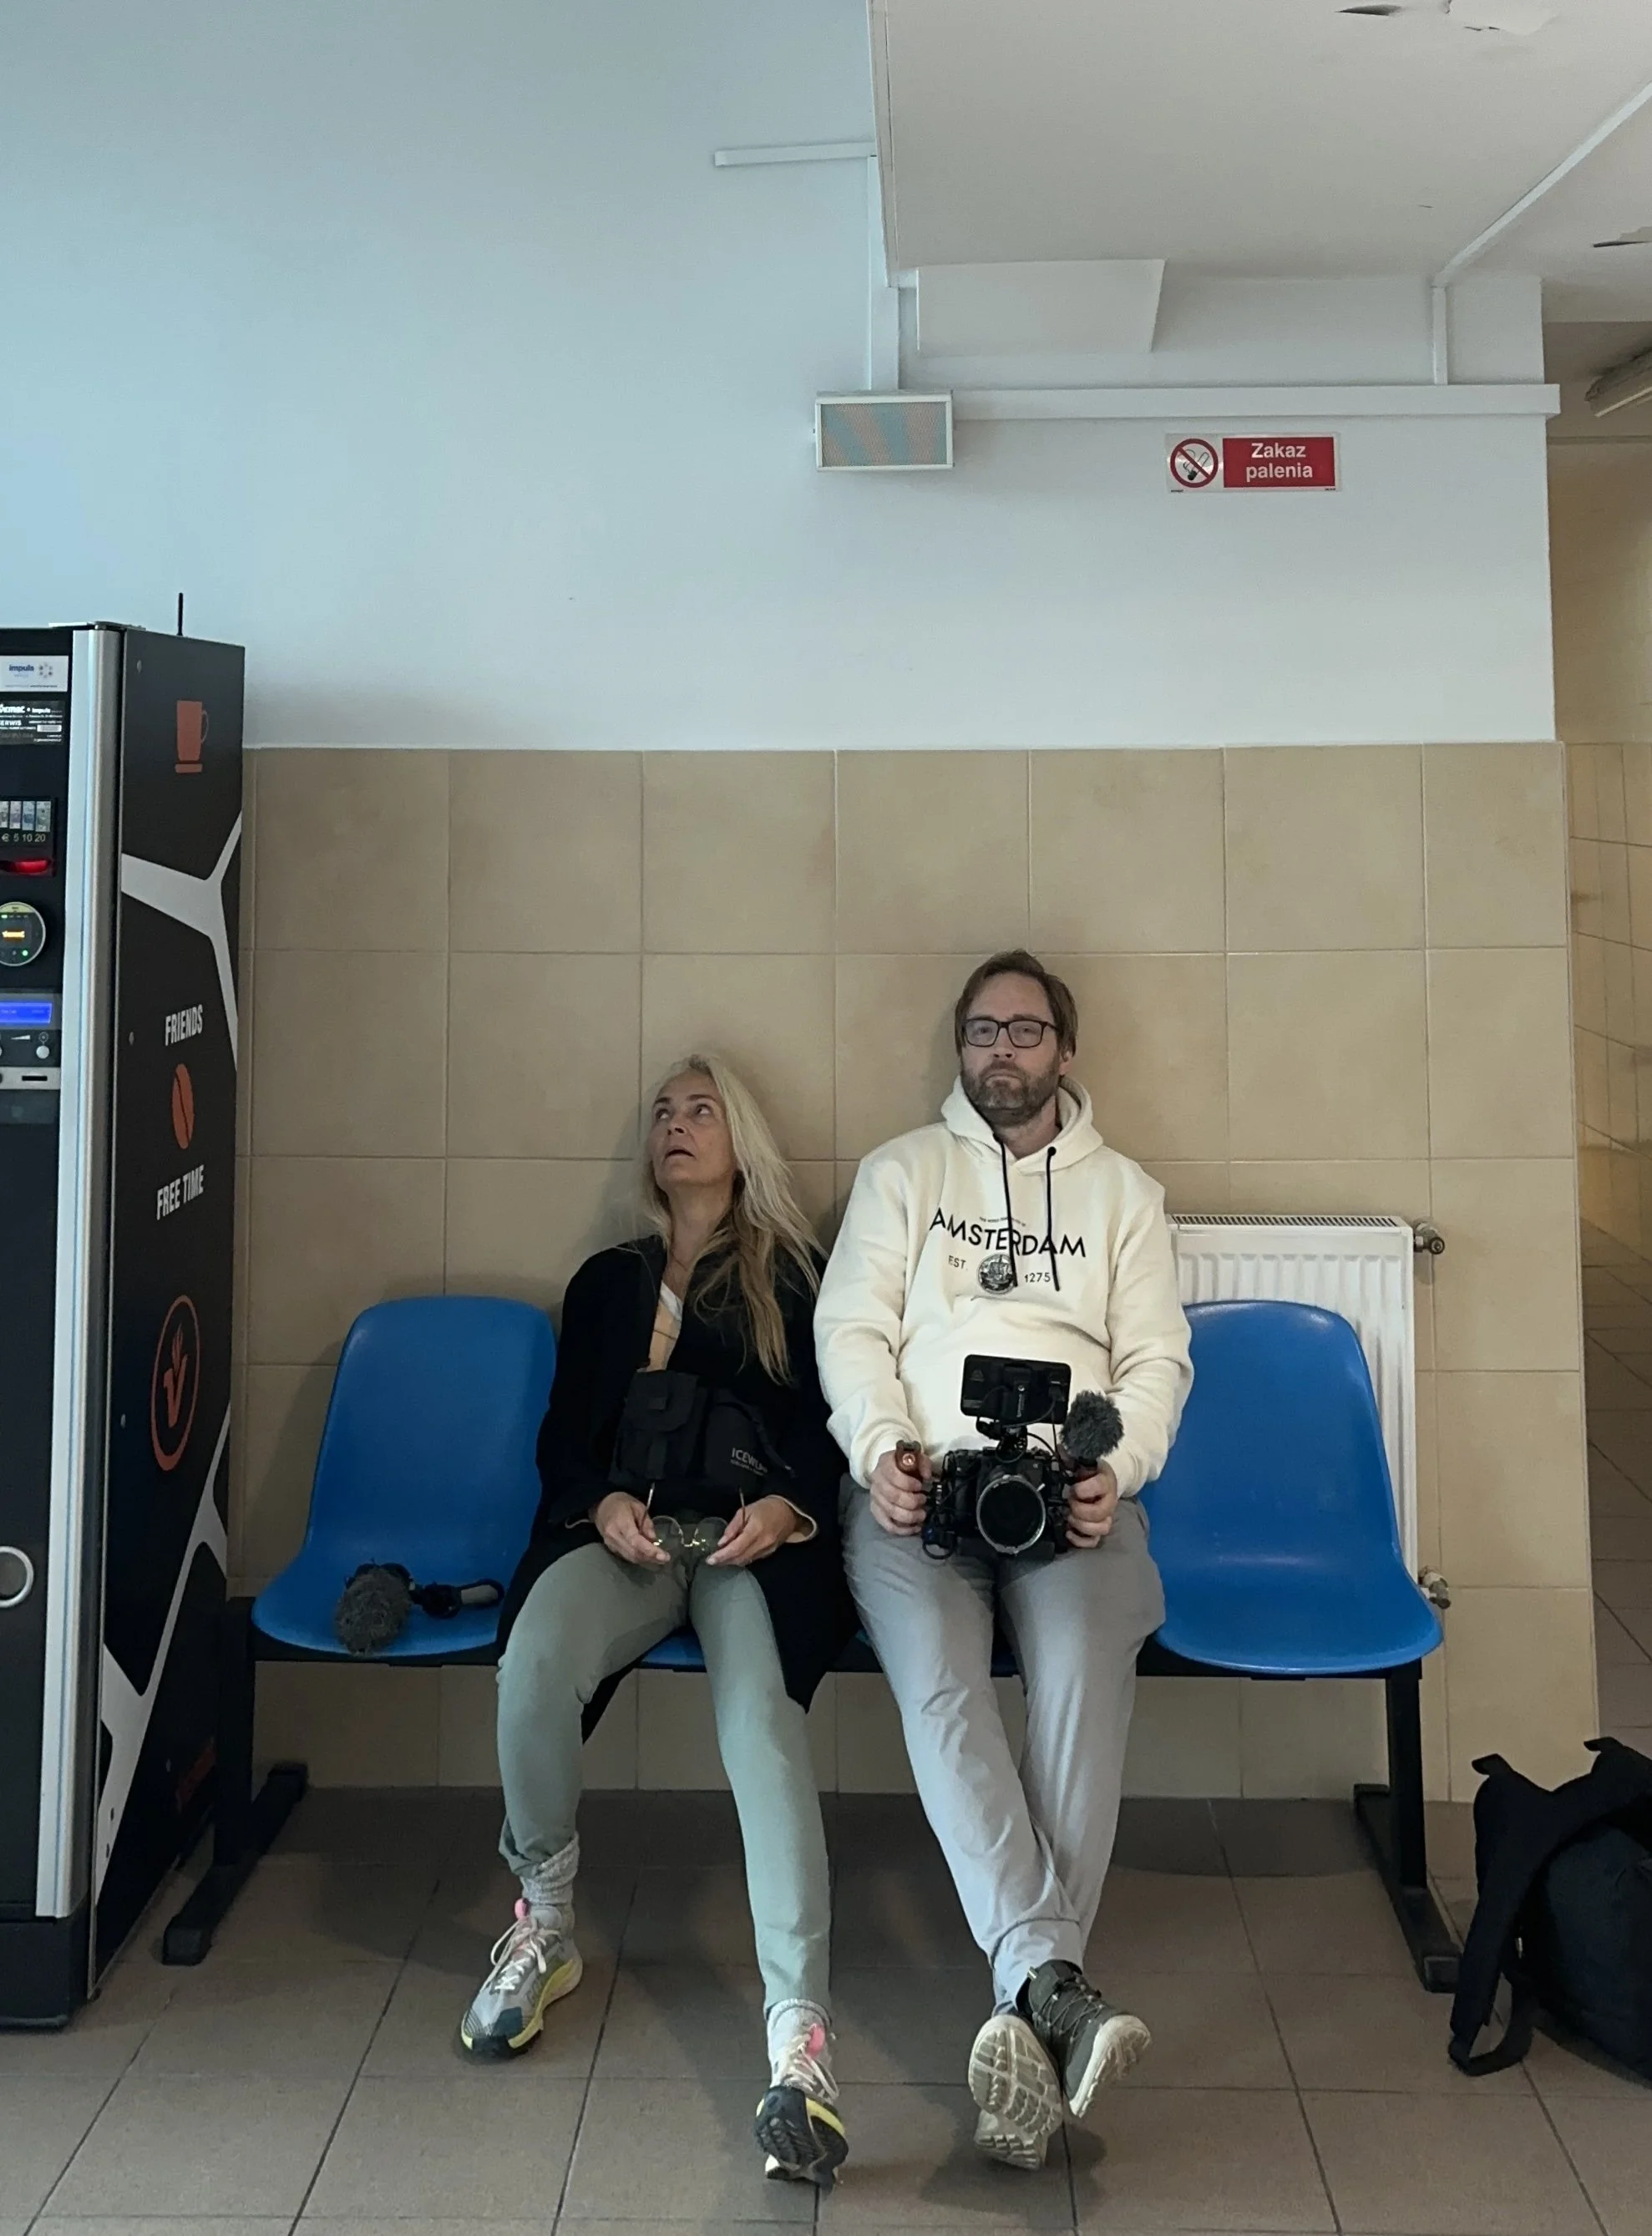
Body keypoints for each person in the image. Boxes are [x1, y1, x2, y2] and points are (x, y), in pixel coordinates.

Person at [815, 950, 1192, 2172]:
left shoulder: (1125, 1196)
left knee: (1082, 1671)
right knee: (939, 1682)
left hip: (1067, 1502)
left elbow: (1154, 1366)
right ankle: (1054, 1993)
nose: (1001, 1052)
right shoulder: (901, 1173)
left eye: (1025, 1031)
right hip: (918, 1487)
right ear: (960, 1049)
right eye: (981, 1031)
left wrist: (1110, 1474)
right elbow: (853, 1326)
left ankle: (1026, 2001)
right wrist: (878, 1448)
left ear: (1064, 1053)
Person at [462, 1054, 855, 2193]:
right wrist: (602, 1502)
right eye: (662, 1113)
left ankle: (799, 2037)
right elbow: (562, 1441)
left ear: (746, 1139)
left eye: (702, 1109)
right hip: (625, 1541)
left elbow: (831, 1426)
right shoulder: (606, 1282)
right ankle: (544, 1920)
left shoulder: (798, 1273)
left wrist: (787, 1509)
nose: (677, 1127)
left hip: (749, 1550)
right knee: (532, 1661)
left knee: (758, 1728)